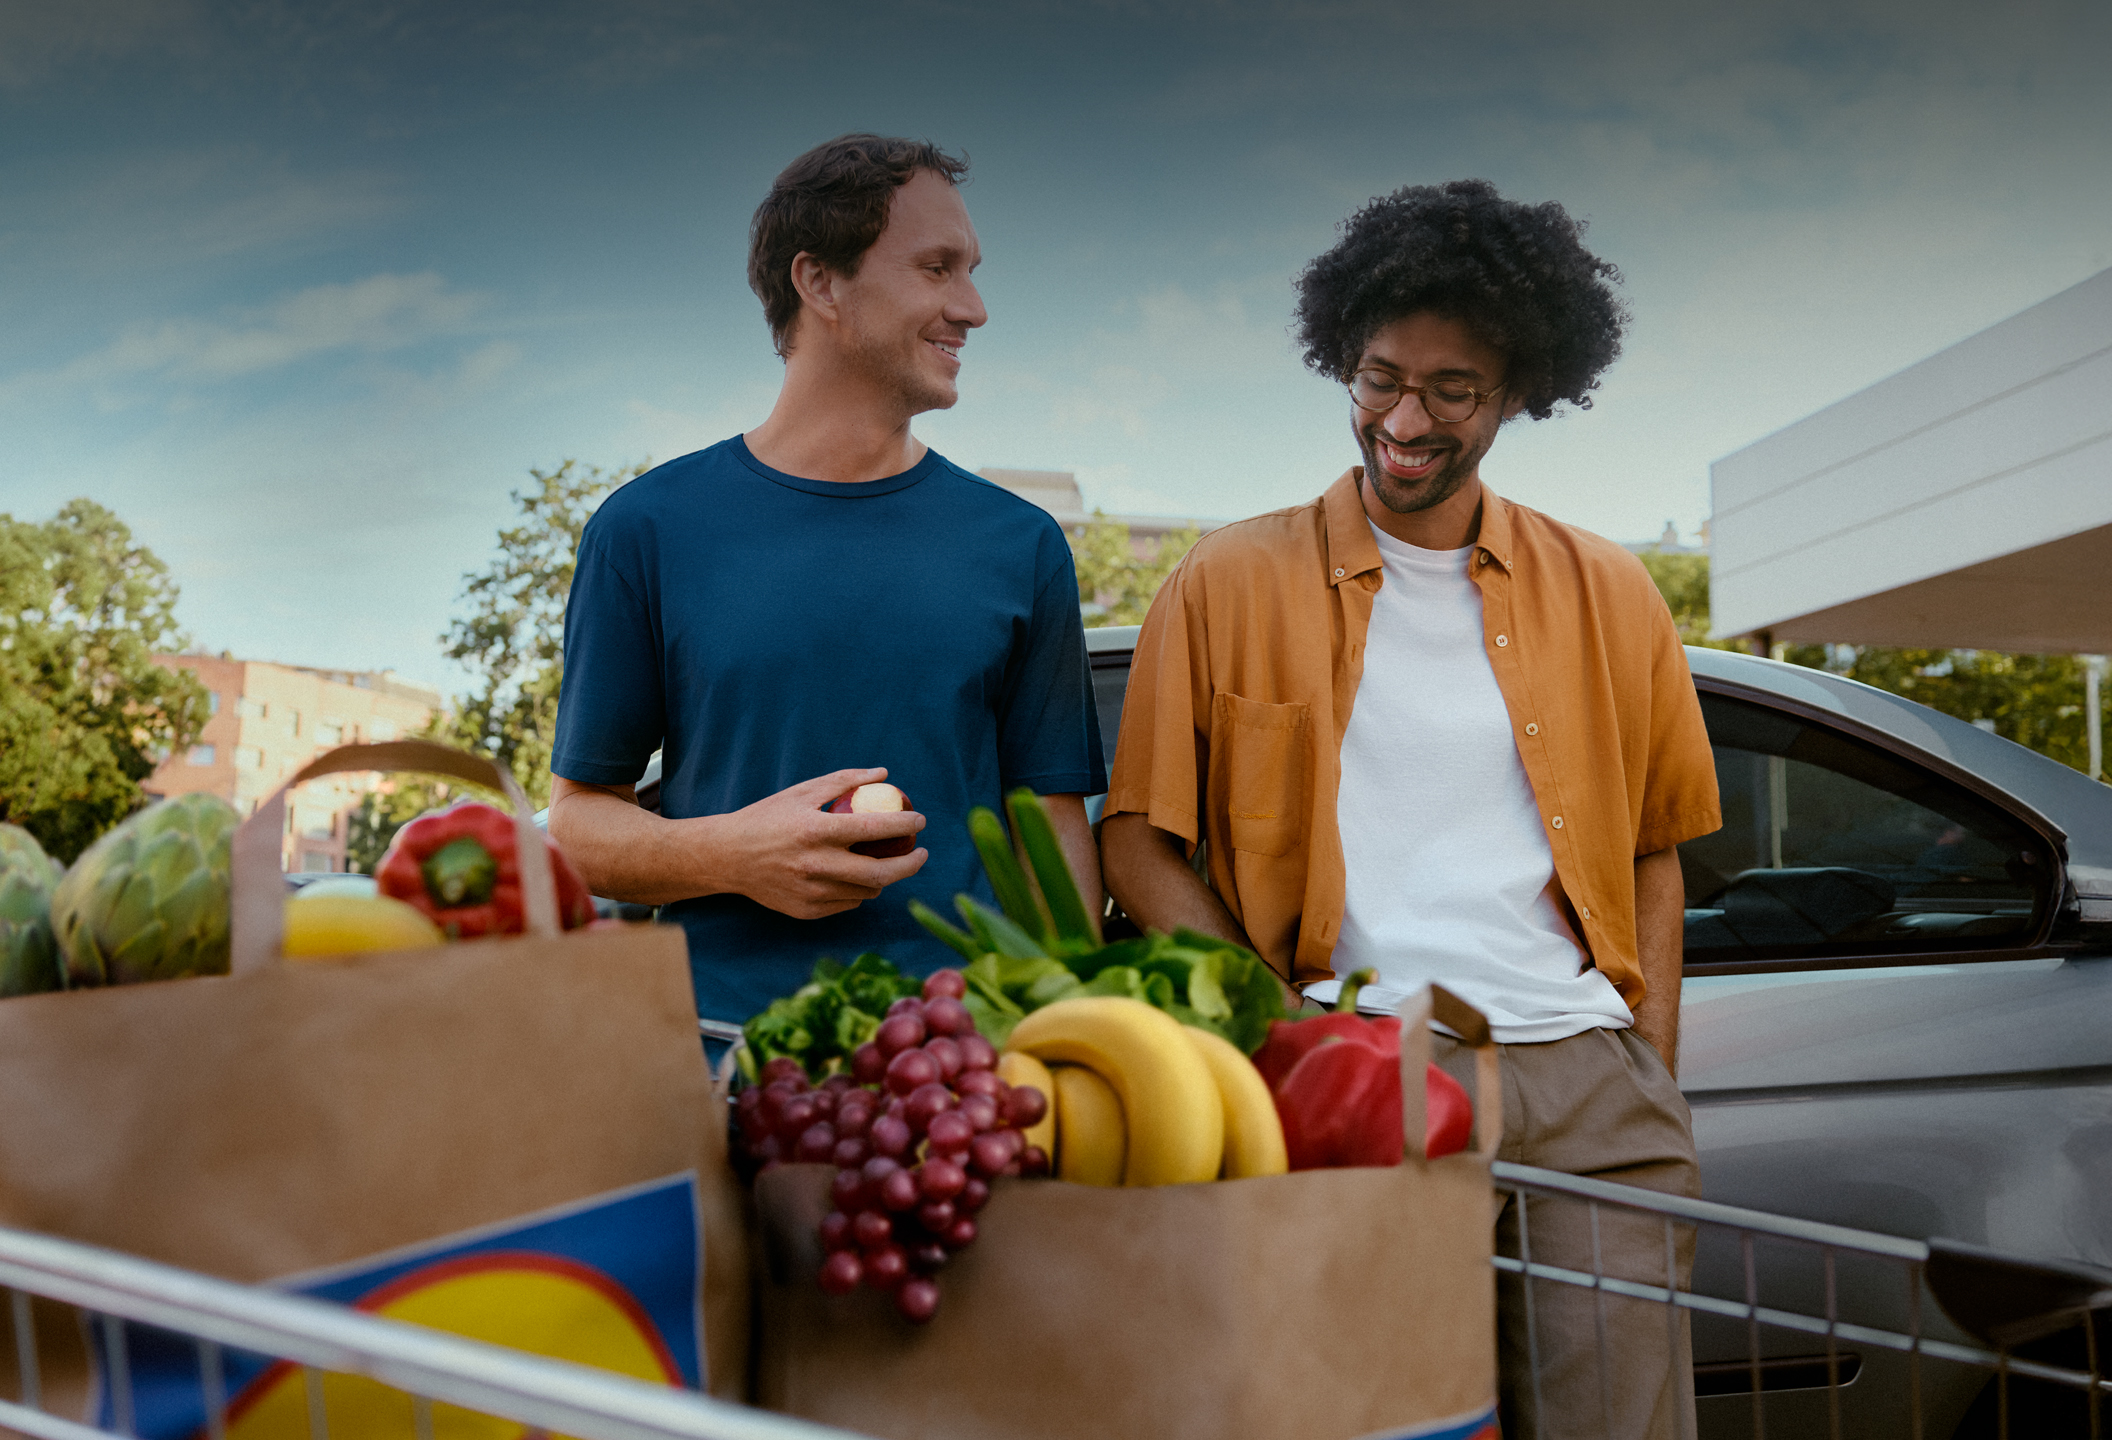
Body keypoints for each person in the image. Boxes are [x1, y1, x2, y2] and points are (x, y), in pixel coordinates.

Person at [1101, 179, 1720, 1439]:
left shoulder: (1612, 592)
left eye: (1454, 389)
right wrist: (1288, 1037)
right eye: (1381, 377)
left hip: (1589, 1085)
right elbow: (1138, 840)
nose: (1406, 419)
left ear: (1519, 393)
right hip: (1364, 1072)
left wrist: (1647, 1057)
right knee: (1381, 1422)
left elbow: (1657, 849)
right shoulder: (1229, 579)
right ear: (1343, 357)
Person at [548, 134, 1106, 1032]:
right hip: (718, 1056)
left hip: (963, 1060)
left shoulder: (1023, 545)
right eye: (937, 268)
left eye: (970, 271)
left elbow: (1054, 827)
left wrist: (1070, 1031)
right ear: (821, 283)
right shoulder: (645, 529)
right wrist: (732, 855)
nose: (974, 307)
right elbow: (579, 825)